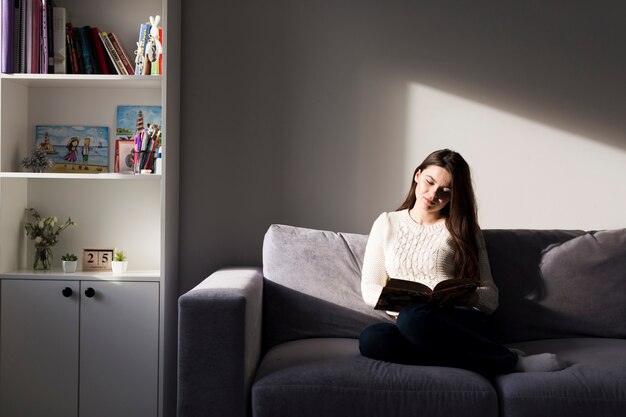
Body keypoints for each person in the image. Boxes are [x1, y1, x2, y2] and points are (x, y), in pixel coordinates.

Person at [359, 149, 566, 376]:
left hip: (457, 319)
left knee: (413, 319)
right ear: (417, 175)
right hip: (413, 323)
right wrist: (399, 303)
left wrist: (472, 296)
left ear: (454, 196)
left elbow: (491, 297)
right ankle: (483, 357)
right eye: (429, 182)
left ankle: (512, 363)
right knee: (372, 339)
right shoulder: (386, 223)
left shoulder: (463, 229)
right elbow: (370, 287)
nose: (432, 194)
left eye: (445, 192)